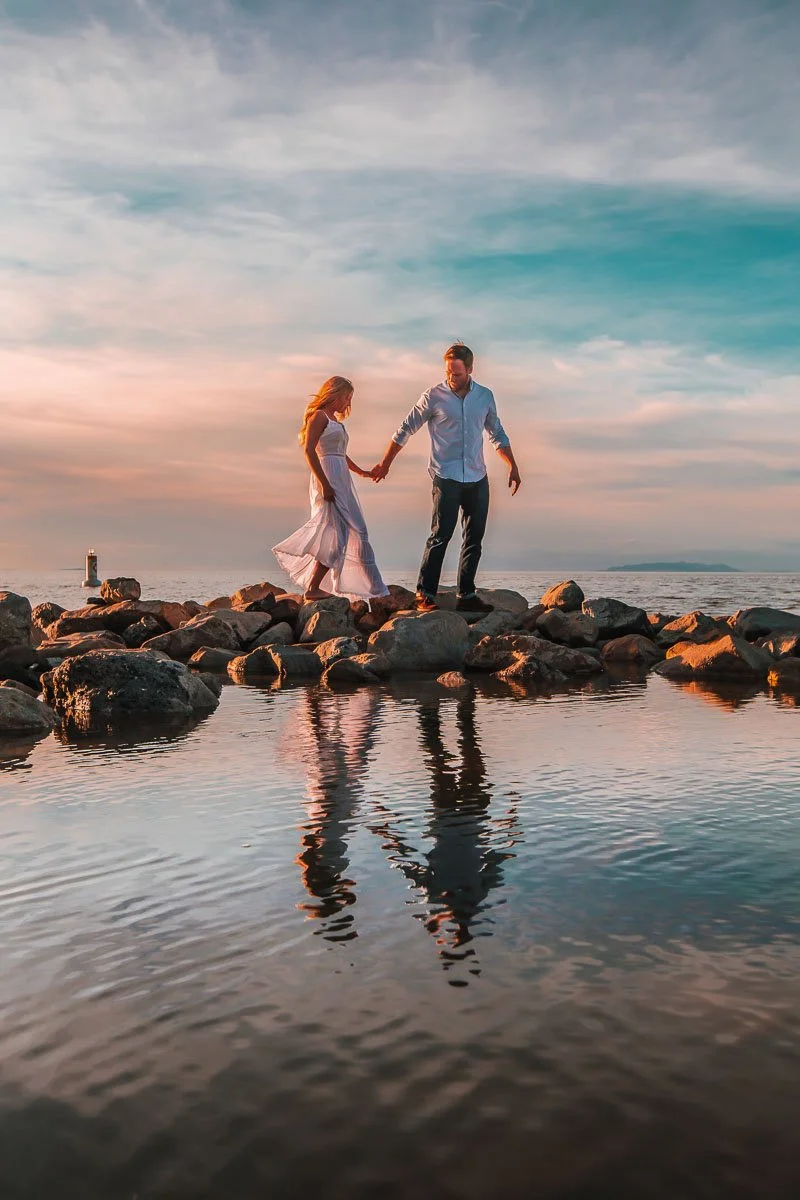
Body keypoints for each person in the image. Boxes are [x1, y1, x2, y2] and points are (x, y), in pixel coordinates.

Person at [371, 343, 521, 613]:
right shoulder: (433, 396)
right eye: (449, 373)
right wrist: (385, 463)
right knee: (440, 535)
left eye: (458, 374)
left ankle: (466, 594)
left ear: (470, 370)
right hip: (445, 475)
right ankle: (425, 593)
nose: (452, 378)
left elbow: (497, 433)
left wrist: (512, 465)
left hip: (477, 476)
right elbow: (406, 428)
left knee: (475, 538)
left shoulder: (484, 397)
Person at [273, 375, 389, 601]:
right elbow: (309, 451)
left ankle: (375, 589)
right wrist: (325, 484)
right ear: (334, 394)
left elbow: (341, 455)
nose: (348, 403)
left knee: (357, 530)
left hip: (342, 479)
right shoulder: (318, 417)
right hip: (327, 476)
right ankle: (314, 588)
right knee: (336, 534)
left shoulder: (336, 421)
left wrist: (363, 472)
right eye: (347, 397)